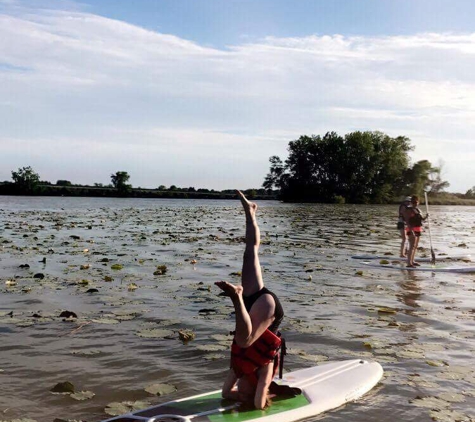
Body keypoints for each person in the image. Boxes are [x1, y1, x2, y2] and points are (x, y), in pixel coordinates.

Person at [215, 190, 284, 410]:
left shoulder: (238, 369)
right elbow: (258, 403)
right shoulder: (264, 369)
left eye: (240, 391)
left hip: (252, 303)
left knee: (249, 253)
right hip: (267, 306)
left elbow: (226, 394)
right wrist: (253, 402)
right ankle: (236, 298)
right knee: (245, 341)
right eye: (243, 391)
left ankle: (250, 212)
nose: (239, 390)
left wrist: (236, 398)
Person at [402, 195, 429, 268]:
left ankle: (412, 261)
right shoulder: (409, 210)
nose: (414, 203)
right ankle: (408, 263)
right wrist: (411, 230)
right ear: (411, 202)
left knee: (415, 246)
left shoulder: (418, 210)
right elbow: (407, 221)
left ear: (418, 202)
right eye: (413, 202)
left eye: (416, 202)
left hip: (418, 228)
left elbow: (421, 219)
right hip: (411, 229)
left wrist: (426, 217)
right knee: (412, 246)